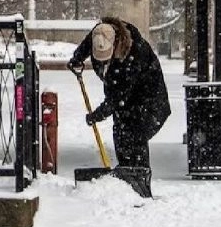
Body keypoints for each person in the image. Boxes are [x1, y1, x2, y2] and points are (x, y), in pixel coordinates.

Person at [68, 16, 171, 170]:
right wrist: (77, 58)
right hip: (125, 99)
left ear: (115, 43)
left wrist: (97, 115)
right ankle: (125, 175)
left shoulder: (135, 53)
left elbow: (117, 97)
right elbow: (87, 44)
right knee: (121, 133)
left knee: (135, 136)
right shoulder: (100, 33)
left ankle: (139, 179)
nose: (102, 63)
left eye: (106, 58)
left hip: (149, 100)